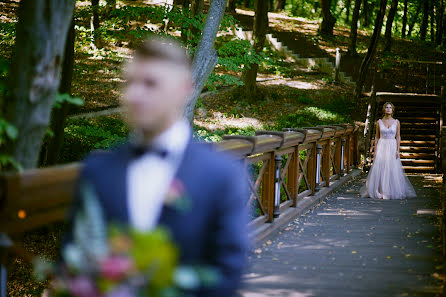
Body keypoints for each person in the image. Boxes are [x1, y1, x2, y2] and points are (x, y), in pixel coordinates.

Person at [66, 37, 249, 297]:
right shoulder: (97, 171)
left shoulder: (222, 175)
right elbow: (74, 258)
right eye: (129, 83)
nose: (134, 95)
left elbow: (229, 272)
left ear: (184, 89)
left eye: (150, 83)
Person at [360, 102, 416, 199]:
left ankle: (391, 191)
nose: (388, 109)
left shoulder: (396, 122)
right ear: (384, 109)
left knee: (392, 168)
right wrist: (375, 150)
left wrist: (398, 150)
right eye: (387, 107)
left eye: (390, 107)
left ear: (392, 110)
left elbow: (398, 136)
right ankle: (380, 190)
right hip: (382, 145)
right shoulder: (379, 122)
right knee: (380, 167)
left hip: (392, 145)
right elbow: (376, 137)